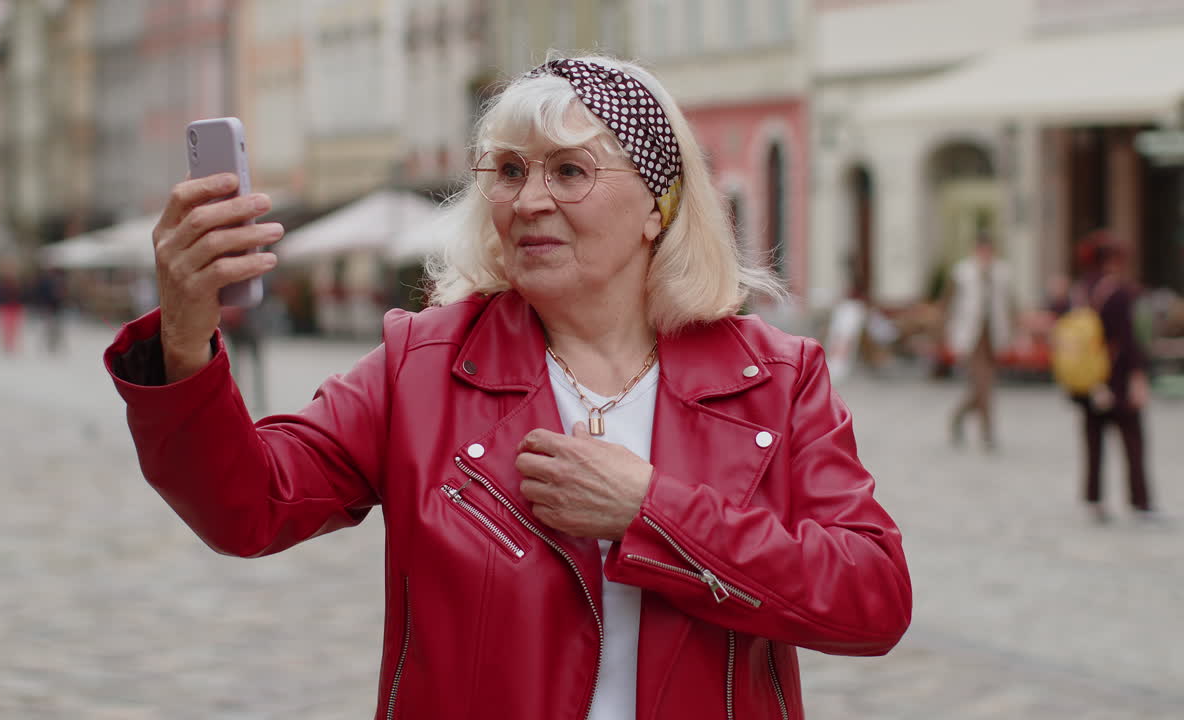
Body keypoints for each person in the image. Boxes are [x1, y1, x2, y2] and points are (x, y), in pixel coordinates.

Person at [104, 55, 911, 718]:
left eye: (569, 172)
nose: (529, 201)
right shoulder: (421, 363)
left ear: (658, 208)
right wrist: (183, 332)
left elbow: (871, 599)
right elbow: (247, 505)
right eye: (510, 171)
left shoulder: (774, 377)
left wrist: (652, 512)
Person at [1068, 230, 1159, 524]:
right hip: (1116, 377)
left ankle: (1093, 499)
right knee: (1133, 439)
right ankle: (1140, 501)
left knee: (1093, 441)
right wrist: (1137, 377)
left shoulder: (1082, 289)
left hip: (1089, 378)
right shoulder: (1119, 293)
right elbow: (1128, 339)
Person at [943, 234, 1013, 450]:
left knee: (984, 387)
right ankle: (987, 433)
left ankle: (958, 417)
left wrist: (1014, 331)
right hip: (971, 338)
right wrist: (948, 333)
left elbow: (1010, 305)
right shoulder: (962, 273)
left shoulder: (1002, 273)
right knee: (983, 385)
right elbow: (948, 304)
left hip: (992, 338)